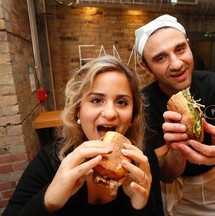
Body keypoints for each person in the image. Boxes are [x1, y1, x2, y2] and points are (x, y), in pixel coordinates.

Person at [135, 14, 215, 216]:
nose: (177, 64)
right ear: (145, 66)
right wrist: (177, 149)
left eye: (180, 49)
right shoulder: (144, 103)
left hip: (214, 186)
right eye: (160, 58)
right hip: (169, 192)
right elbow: (166, 175)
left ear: (189, 45)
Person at [3, 55, 164, 216]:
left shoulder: (143, 160)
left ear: (132, 116)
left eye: (122, 102)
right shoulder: (50, 161)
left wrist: (142, 207)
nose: (110, 113)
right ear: (78, 110)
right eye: (96, 100)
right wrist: (49, 201)